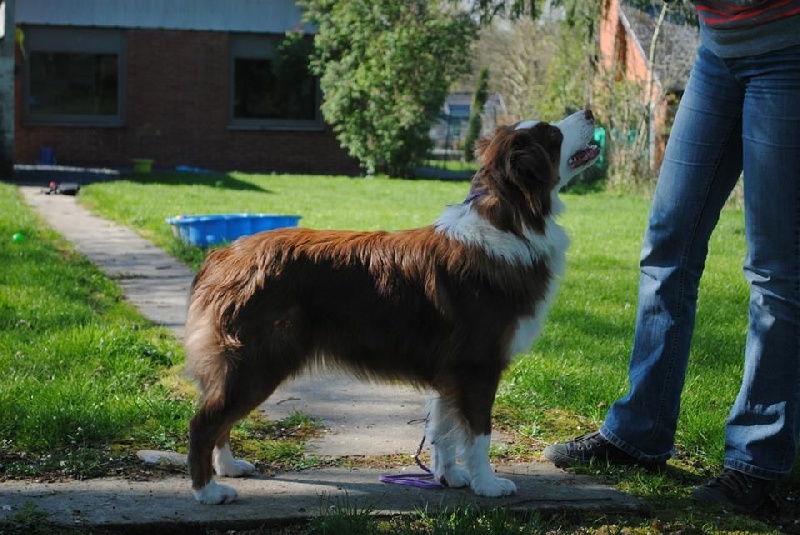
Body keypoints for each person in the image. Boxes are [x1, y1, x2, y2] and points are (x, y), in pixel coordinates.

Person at [543, 0, 800, 514]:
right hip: (717, 50)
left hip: (787, 49)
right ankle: (639, 433)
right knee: (667, 245)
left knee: (775, 269)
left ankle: (756, 463)